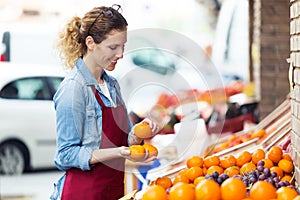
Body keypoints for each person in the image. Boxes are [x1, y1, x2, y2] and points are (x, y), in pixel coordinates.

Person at [50, 5, 160, 200]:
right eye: (113, 47)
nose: (120, 54)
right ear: (91, 43)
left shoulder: (112, 85)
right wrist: (118, 152)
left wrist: (137, 133)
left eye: (123, 46)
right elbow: (65, 155)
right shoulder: (73, 89)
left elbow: (124, 140)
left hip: (113, 190)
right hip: (83, 193)